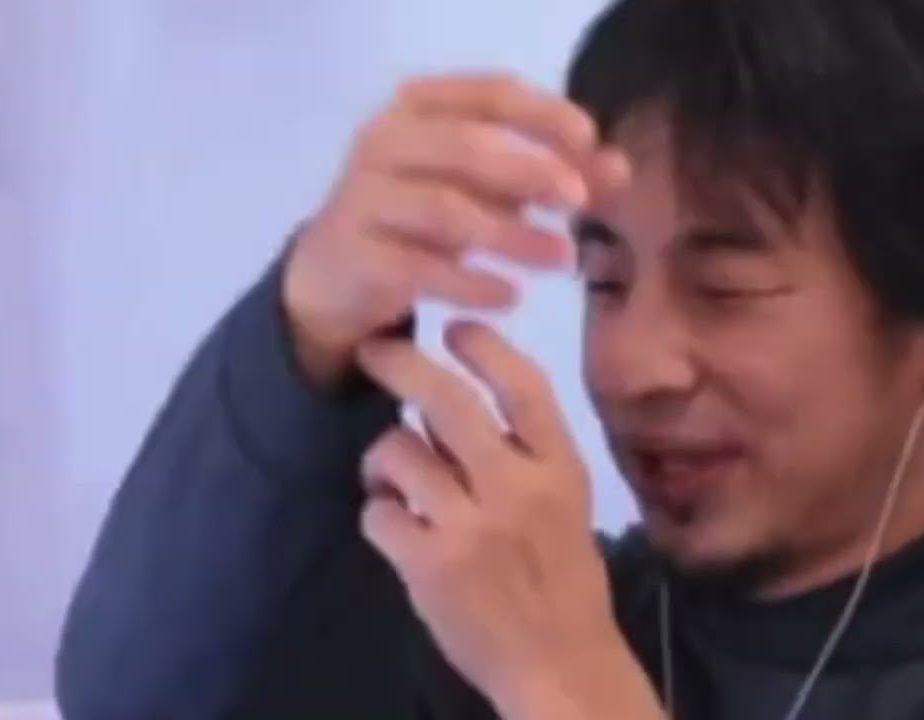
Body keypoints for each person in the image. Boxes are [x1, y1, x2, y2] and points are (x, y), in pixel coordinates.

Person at [56, 0, 924, 717]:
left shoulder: (548, 647)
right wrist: (307, 327)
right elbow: (146, 699)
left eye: (725, 290)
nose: (632, 370)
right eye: (605, 283)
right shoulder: (526, 629)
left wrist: (568, 685)